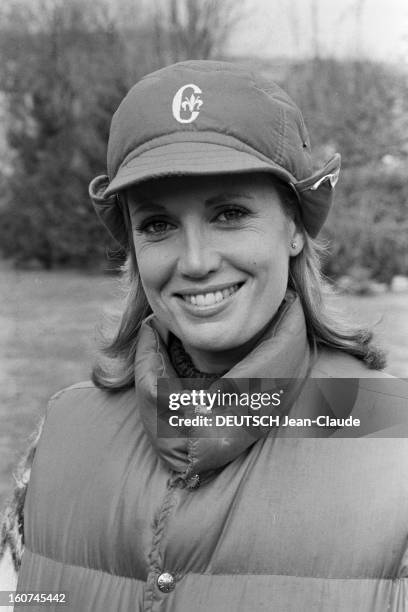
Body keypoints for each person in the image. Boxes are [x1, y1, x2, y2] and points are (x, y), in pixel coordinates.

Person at [1, 60, 408, 611]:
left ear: (294, 228)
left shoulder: (393, 434)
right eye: (158, 224)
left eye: (230, 213)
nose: (194, 262)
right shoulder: (63, 433)